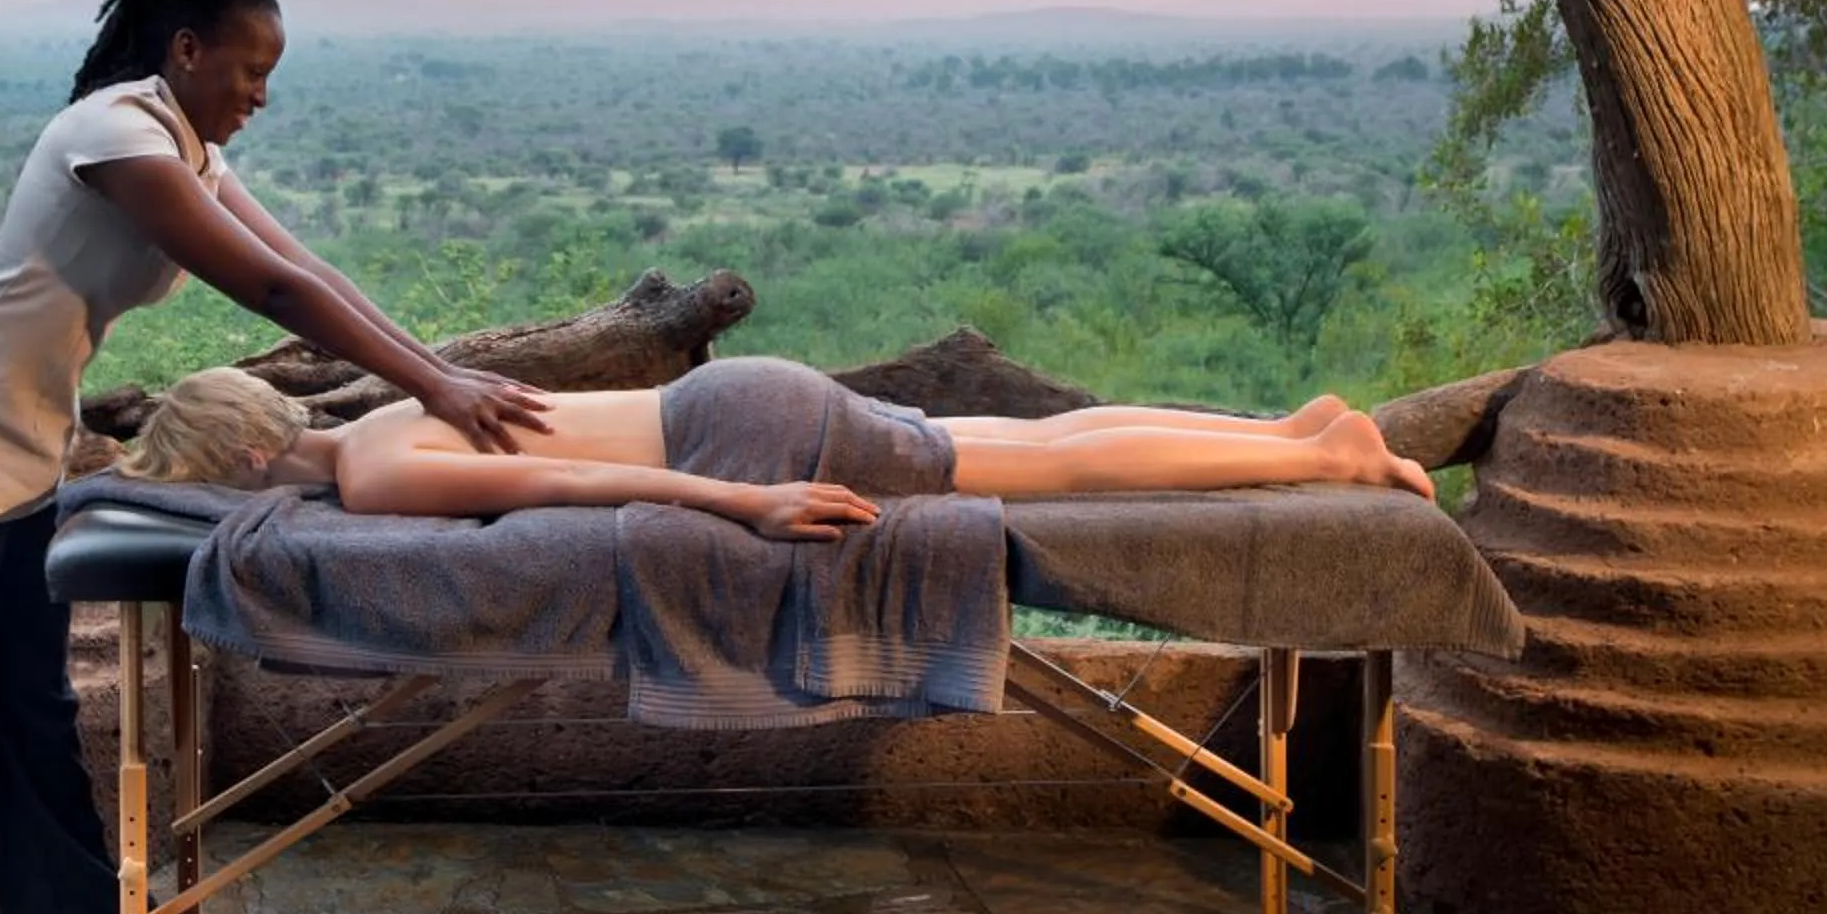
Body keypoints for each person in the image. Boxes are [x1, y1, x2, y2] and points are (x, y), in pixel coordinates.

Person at [0, 0, 551, 914]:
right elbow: (267, 289)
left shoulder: (183, 141)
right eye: (250, 68)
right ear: (185, 50)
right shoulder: (111, 131)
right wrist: (435, 384)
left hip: (23, 452)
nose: (261, 93)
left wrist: (437, 370)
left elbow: (309, 270)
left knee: (33, 710)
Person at [124, 356, 1434, 537]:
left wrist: (737, 504)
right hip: (743, 394)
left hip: (737, 431)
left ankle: (1334, 465)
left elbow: (576, 479)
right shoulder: (385, 412)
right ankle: (1294, 427)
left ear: (239, 466)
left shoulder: (375, 471)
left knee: (1040, 467)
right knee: (1013, 437)